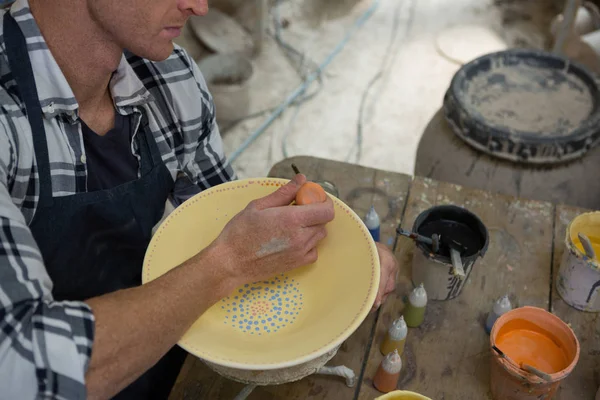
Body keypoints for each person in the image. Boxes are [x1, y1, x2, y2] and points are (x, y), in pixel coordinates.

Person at [0, 0, 399, 398]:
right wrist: (225, 265)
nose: (200, 7)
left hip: (164, 340)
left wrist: (351, 256)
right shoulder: (8, 124)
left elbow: (231, 227)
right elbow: (21, 365)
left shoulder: (171, 80)